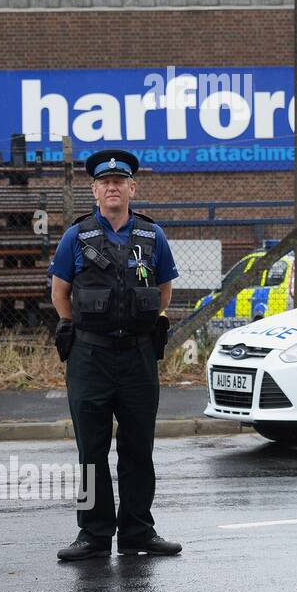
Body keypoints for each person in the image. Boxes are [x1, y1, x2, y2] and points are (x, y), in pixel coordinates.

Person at [48, 149, 183, 561]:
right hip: (91, 358)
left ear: (131, 188)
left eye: (120, 181)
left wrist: (149, 320)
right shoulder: (77, 235)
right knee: (92, 449)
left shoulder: (151, 235)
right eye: (105, 182)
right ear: (95, 190)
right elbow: (60, 293)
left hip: (139, 357)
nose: (112, 187)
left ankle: (139, 531)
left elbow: (164, 288)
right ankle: (93, 535)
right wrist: (86, 330)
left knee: (138, 447)